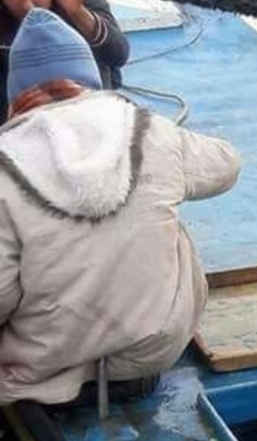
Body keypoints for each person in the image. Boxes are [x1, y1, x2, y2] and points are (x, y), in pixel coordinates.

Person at [0, 8, 240, 406]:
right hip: (151, 354)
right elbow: (226, 165)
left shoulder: (6, 162)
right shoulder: (148, 128)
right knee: (168, 211)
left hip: (41, 375)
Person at [0, 0, 128, 120]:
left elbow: (118, 55)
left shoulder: (85, 4)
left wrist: (77, 12)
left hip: (92, 115)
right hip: (25, 123)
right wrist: (28, 15)